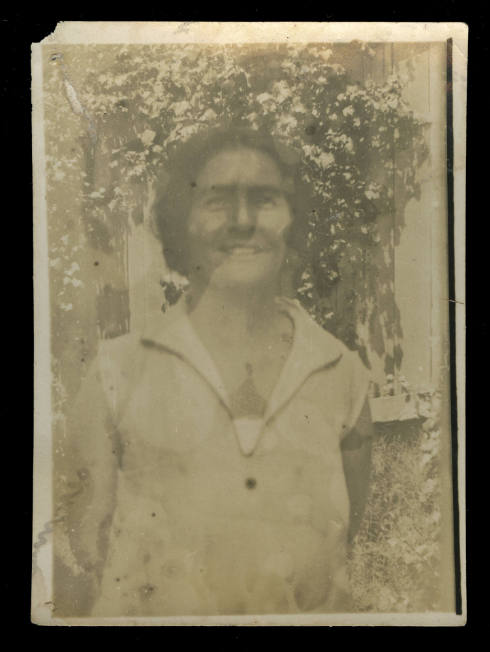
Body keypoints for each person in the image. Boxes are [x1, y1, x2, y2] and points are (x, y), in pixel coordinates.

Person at [57, 126, 373, 616]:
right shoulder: (118, 372)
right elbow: (83, 551)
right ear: (182, 222)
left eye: (265, 199)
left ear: (294, 219)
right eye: (218, 201)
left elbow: (339, 532)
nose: (243, 221)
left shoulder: (341, 373)